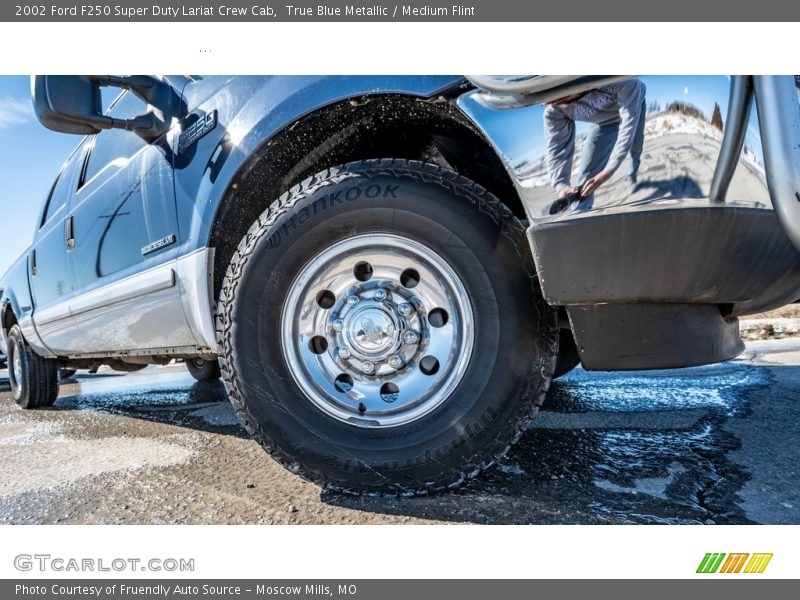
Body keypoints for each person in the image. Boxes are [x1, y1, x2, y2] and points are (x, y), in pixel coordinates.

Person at [544, 78, 646, 207]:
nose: (553, 102)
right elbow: (557, 147)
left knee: (636, 147)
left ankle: (633, 175)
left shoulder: (616, 80)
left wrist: (609, 170)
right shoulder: (554, 110)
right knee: (587, 175)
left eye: (560, 95)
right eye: (548, 99)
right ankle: (579, 215)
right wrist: (561, 185)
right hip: (603, 124)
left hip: (633, 106)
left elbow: (628, 126)